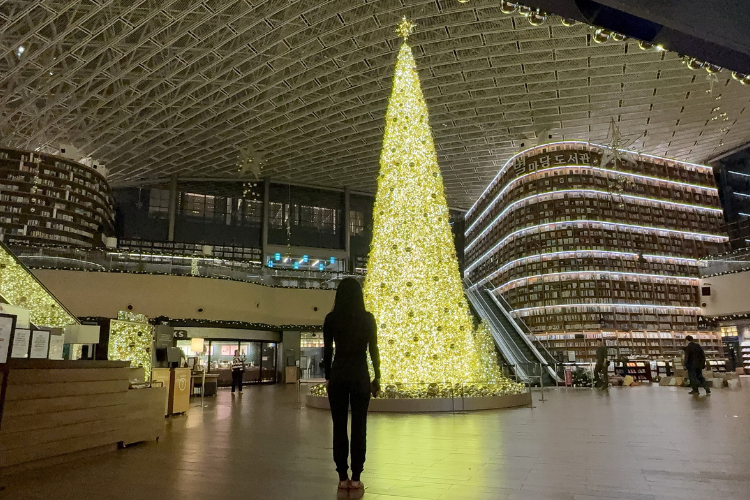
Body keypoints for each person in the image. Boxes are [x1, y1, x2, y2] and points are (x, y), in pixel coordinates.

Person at [324, 278, 380, 493]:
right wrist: (378, 376)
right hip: (360, 376)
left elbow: (327, 350)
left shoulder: (331, 319)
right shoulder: (367, 319)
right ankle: (356, 478)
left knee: (339, 427)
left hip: (338, 374)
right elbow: (373, 349)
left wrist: (328, 376)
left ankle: (341, 477)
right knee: (359, 427)